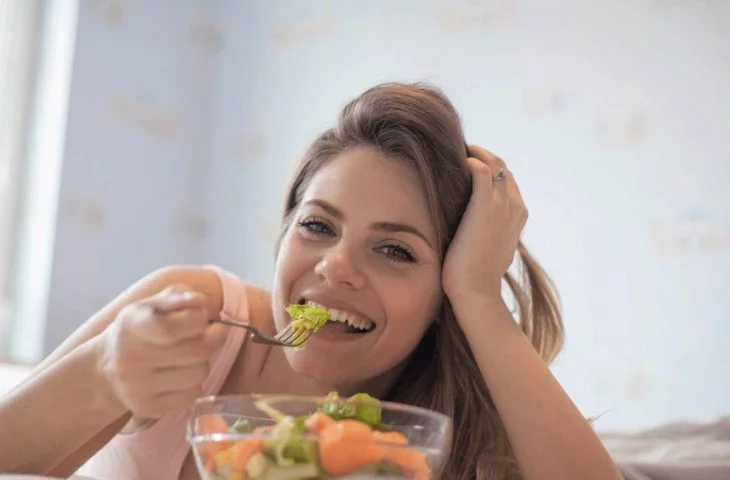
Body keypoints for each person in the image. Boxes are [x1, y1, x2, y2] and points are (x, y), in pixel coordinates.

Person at [0, 83, 622, 480]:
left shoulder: (441, 423)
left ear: (446, 293)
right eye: (319, 226)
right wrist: (105, 372)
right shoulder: (193, 316)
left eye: (394, 251)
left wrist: (481, 298)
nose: (335, 268)